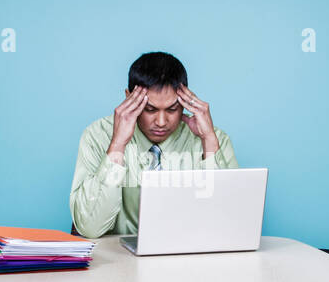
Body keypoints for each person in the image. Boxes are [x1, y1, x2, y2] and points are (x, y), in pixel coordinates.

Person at [70, 52, 238, 237]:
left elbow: (231, 223)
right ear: (129, 98)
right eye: (149, 109)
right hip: (118, 260)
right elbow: (89, 228)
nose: (161, 121)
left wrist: (209, 143)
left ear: (186, 103)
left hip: (191, 258)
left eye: (172, 109)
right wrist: (117, 144)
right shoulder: (98, 135)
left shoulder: (214, 139)